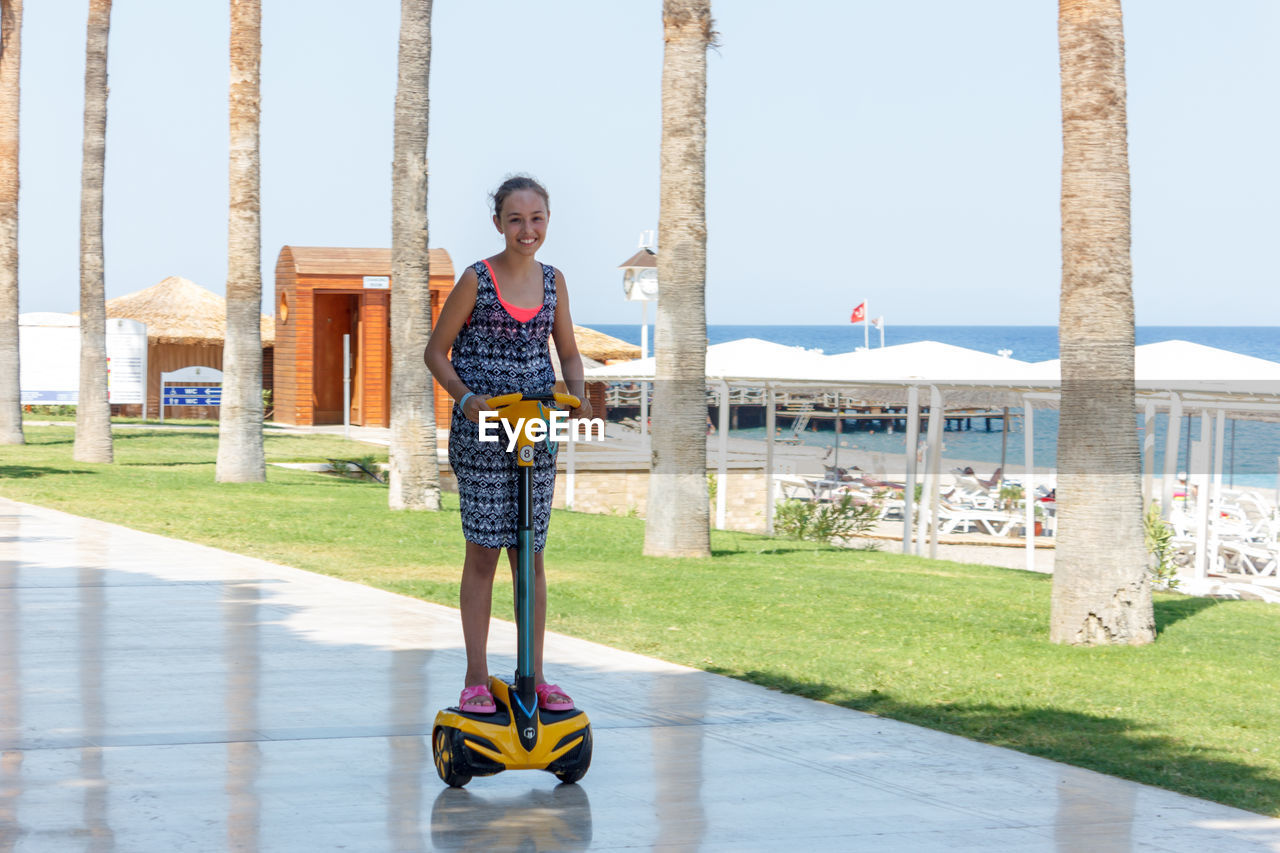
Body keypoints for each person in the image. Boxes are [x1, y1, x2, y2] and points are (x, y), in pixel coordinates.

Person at [425, 175, 591, 715]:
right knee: (484, 553)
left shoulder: (553, 282)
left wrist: (578, 394)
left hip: (536, 427)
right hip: (484, 430)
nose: (527, 229)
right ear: (498, 223)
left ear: (548, 221)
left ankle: (535, 675)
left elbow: (567, 352)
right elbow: (436, 351)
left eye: (536, 218)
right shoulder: (477, 279)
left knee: (530, 554)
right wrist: (467, 398)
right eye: (516, 219)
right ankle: (476, 678)